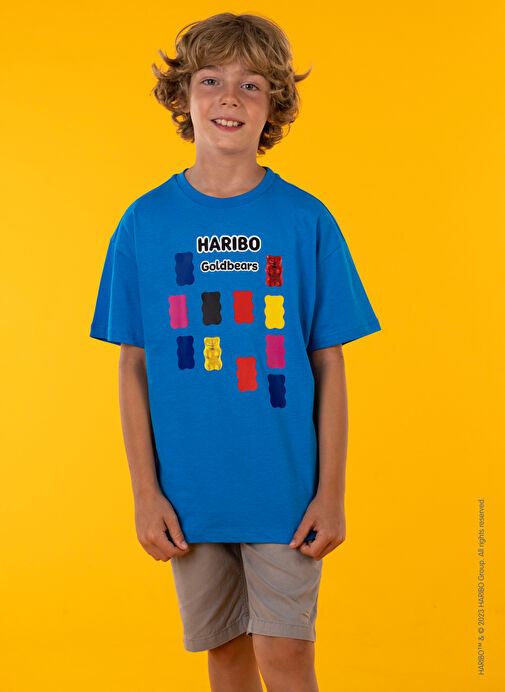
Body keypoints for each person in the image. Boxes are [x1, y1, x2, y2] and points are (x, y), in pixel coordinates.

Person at [89, 12, 381, 692]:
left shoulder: (305, 220)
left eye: (251, 85)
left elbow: (328, 362)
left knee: (286, 657)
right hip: (189, 493)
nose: (229, 98)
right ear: (182, 96)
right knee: (224, 657)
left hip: (285, 489)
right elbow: (133, 365)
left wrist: (331, 493)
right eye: (211, 81)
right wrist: (145, 495)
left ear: (274, 104)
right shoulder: (144, 222)